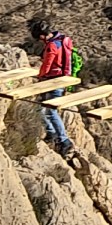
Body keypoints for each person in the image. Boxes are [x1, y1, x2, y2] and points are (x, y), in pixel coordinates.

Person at [31, 19, 76, 159]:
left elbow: (48, 64)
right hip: (61, 79)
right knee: (44, 109)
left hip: (53, 81)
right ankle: (52, 134)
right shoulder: (61, 40)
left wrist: (40, 76)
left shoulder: (52, 45)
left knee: (50, 111)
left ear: (42, 35)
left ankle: (64, 140)